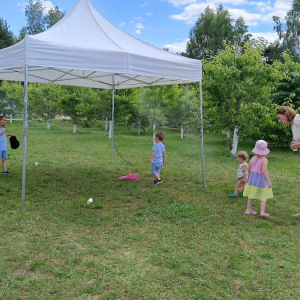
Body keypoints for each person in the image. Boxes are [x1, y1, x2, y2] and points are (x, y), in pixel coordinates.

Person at [276, 106, 300, 216]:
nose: (279, 121)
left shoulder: (298, 120)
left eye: (280, 118)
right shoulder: (292, 124)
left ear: (286, 115)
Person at [243, 140, 273, 217]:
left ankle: (248, 210)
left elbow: (248, 168)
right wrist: (268, 181)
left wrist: (246, 177)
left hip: (252, 179)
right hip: (260, 180)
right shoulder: (264, 160)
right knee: (263, 195)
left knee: (251, 194)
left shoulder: (253, 158)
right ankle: (262, 212)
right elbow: (264, 171)